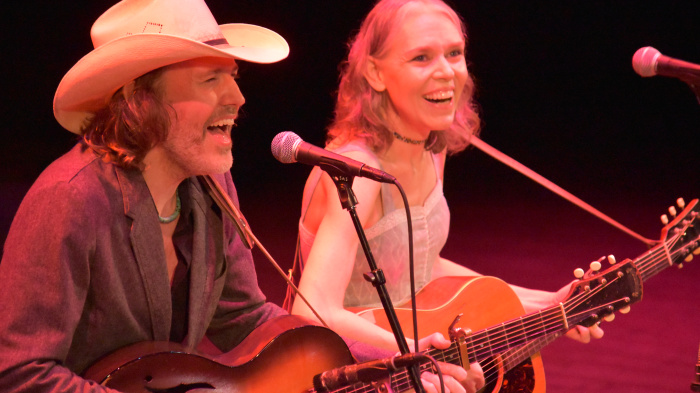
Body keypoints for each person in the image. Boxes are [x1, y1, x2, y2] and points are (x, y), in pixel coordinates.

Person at [0, 0, 477, 392]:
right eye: (211, 79)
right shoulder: (68, 200)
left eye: (233, 76)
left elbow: (245, 317)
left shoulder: (210, 186)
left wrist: (397, 357)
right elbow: (20, 373)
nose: (238, 97)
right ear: (141, 101)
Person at [289, 0, 603, 371]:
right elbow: (314, 309)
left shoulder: (430, 150)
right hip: (344, 365)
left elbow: (418, 267)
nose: (447, 72)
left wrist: (546, 303)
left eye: (454, 53)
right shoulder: (357, 174)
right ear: (375, 73)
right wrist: (415, 351)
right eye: (421, 58)